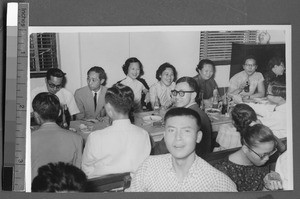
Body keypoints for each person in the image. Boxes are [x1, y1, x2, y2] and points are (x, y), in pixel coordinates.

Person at [127, 107, 237, 192]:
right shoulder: (149, 168)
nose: (177, 137)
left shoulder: (218, 183)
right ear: (164, 136)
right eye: (171, 130)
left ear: (198, 137)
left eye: (186, 131)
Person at [81, 83, 151, 179]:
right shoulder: (144, 134)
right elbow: (145, 169)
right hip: (135, 188)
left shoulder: (95, 137)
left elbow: (86, 170)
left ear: (109, 108)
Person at [153, 77, 212, 158]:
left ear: (193, 95)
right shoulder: (198, 112)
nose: (176, 97)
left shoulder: (187, 117)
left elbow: (162, 149)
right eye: (175, 92)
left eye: (181, 93)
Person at [31, 92, 83, 179]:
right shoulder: (77, 139)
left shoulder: (28, 140)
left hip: (38, 190)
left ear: (36, 115)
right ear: (59, 113)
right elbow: (77, 174)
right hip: (65, 189)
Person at [214, 123, 280, 191]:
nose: (267, 158)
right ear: (245, 149)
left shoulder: (260, 160)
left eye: (270, 153)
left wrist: (269, 185)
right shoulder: (223, 172)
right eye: (263, 155)